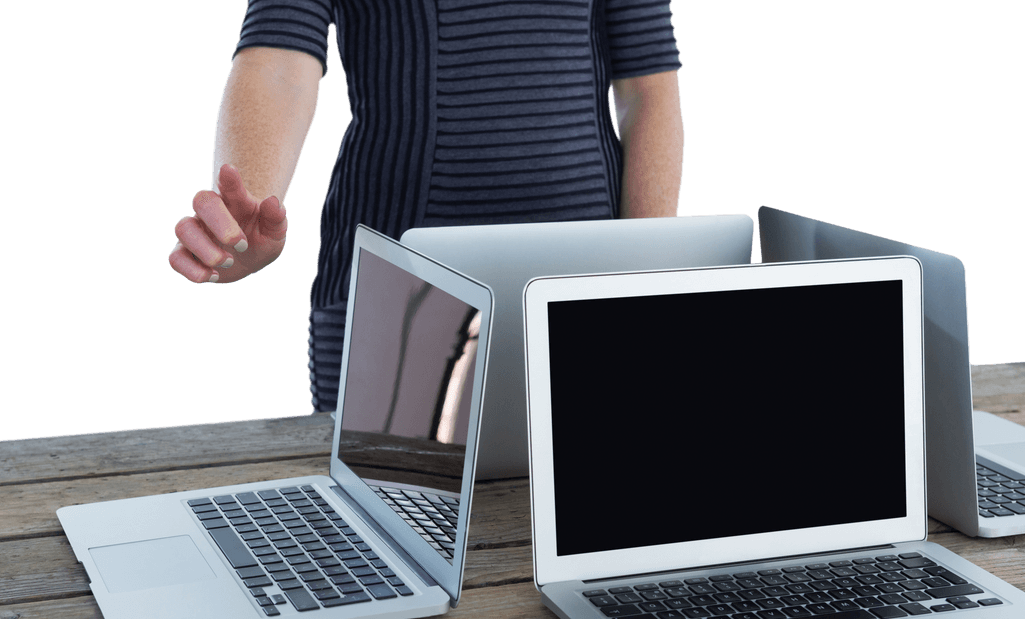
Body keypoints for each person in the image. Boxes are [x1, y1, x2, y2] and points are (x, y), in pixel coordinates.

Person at [169, 0, 685, 412]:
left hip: (583, 298)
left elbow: (648, 89)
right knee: (375, 532)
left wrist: (639, 282)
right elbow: (279, 58)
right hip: (390, 304)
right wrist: (247, 208)